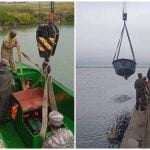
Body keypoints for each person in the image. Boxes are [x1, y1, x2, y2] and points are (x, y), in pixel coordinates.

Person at [0, 59, 13, 123]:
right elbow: (13, 83)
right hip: (7, 93)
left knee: (2, 106)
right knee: (5, 106)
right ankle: (3, 118)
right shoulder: (9, 73)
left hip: (1, 92)